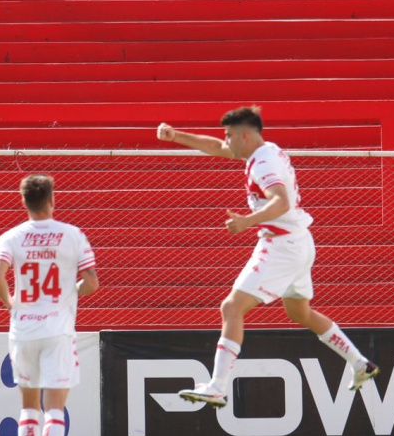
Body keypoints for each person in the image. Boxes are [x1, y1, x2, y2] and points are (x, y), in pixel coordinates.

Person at [157, 106, 379, 408]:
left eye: (230, 136)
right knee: (300, 314)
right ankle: (359, 363)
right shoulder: (265, 150)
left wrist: (248, 220)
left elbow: (281, 201)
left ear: (245, 136)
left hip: (281, 246)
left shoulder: (263, 163)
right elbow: (218, 148)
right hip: (300, 241)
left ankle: (217, 386)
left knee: (232, 307)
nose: (227, 142)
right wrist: (176, 136)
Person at [0, 174, 98, 436]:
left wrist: (11, 303)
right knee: (55, 408)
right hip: (58, 330)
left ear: (24, 202)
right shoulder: (72, 235)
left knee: (28, 407)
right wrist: (70, 293)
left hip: (24, 331)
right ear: (52, 200)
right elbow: (92, 282)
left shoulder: (12, 237)